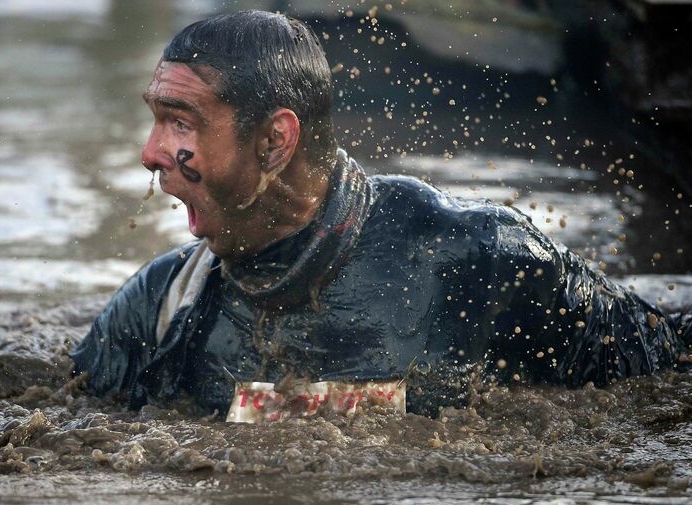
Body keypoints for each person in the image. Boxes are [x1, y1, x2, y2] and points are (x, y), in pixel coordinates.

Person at [70, 10, 690, 422]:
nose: (150, 153)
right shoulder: (161, 310)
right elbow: (56, 419)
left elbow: (669, 371)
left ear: (274, 142)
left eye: (182, 122)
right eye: (155, 118)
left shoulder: (479, 258)